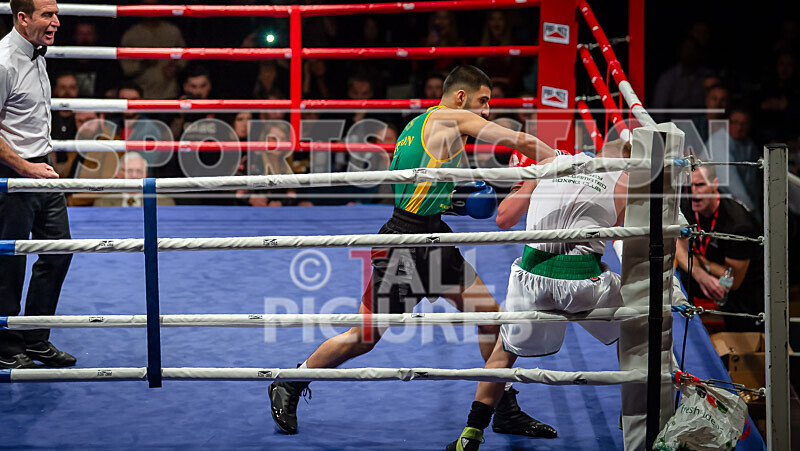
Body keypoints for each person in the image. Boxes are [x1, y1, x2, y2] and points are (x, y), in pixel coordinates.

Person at [268, 65, 559, 438]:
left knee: (491, 318)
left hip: (431, 234)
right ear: (460, 97)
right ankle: (289, 381)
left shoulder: (415, 126)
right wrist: (563, 161)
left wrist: (452, 201)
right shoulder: (452, 117)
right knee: (364, 337)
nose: (486, 110)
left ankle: (502, 407)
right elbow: (518, 140)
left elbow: (417, 186)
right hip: (405, 243)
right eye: (483, 101)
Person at [447, 138, 631, 450]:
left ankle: (471, 434)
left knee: (503, 352)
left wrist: (533, 181)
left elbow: (503, 219)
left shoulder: (551, 162)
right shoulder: (625, 182)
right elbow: (616, 226)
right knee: (636, 326)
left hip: (532, 280)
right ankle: (632, 415)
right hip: (583, 284)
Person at [0, 0, 76, 369]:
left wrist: (41, 163)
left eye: (56, 14)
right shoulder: (3, 62)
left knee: (59, 250)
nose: (56, 22)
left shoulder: (37, 55)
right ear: (23, 17)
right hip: (12, 173)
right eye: (48, 15)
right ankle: (6, 345)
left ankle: (35, 338)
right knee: (10, 261)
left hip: (41, 170)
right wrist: (24, 166)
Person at [675, 165, 764, 332]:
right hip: (704, 273)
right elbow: (679, 249)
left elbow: (733, 281)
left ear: (715, 184)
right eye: (689, 186)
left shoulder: (738, 224)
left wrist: (703, 263)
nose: (694, 192)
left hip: (744, 290)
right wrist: (701, 275)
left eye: (700, 185)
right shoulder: (687, 204)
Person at [93, 152, 174, 207]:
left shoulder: (164, 203)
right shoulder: (102, 203)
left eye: (139, 171)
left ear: (146, 174)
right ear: (118, 174)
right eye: (129, 171)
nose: (134, 175)